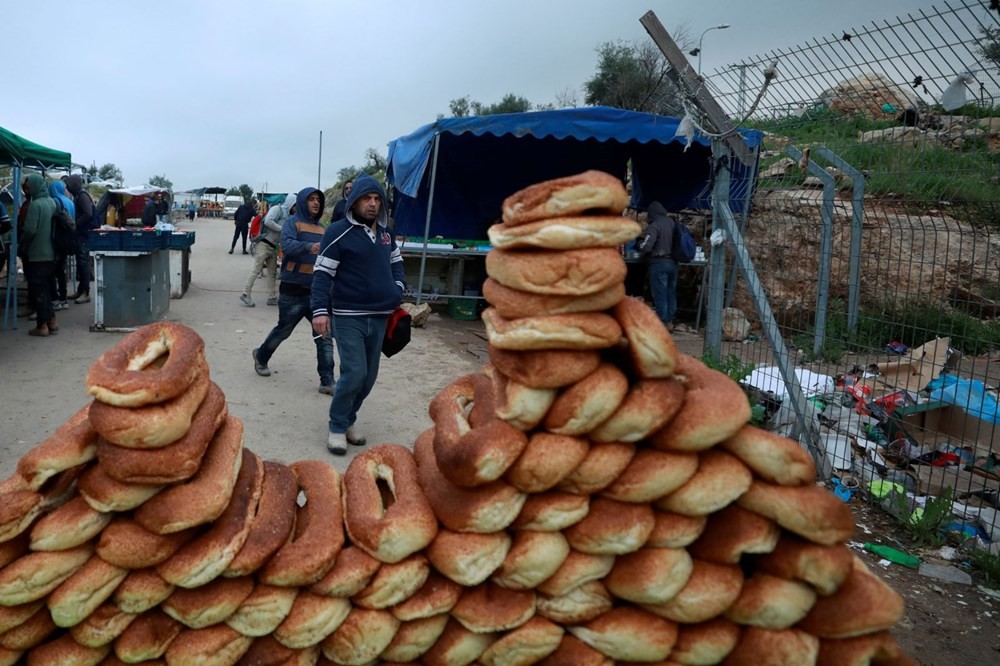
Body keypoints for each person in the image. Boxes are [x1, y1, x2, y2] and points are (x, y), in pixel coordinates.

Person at [311, 173, 405, 455]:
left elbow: (397, 264)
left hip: (380, 316)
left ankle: (348, 419)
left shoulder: (387, 235)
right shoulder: (337, 231)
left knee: (369, 377)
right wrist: (319, 311)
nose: (373, 204)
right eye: (367, 198)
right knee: (354, 373)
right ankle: (337, 427)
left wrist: (397, 288)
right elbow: (322, 274)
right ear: (354, 202)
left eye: (377, 199)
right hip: (348, 315)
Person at [252, 187, 334, 394]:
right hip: (293, 289)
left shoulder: (323, 229)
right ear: (302, 202)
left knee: (323, 335)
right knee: (283, 330)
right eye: (311, 199)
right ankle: (261, 356)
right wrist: (309, 247)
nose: (316, 203)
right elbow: (287, 246)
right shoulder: (291, 223)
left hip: (316, 292)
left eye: (318, 200)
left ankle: (327, 380)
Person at [240, 193, 293, 308]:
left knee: (272, 272)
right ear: (291, 203)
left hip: (273, 246)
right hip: (263, 244)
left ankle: (272, 297)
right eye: (295, 205)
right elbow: (268, 221)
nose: (296, 208)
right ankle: (245, 294)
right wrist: (283, 229)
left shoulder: (289, 216)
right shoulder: (276, 209)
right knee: (256, 269)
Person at [21, 174, 57, 337]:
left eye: (29, 186)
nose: (27, 190)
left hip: (38, 253)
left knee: (39, 290)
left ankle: (42, 326)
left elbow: (30, 230)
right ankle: (52, 321)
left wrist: (22, 240)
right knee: (47, 289)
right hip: (52, 253)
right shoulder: (52, 202)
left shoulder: (36, 205)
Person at [637, 200, 678, 330]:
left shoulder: (654, 225)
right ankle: (670, 321)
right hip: (673, 263)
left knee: (660, 294)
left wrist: (639, 244)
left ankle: (662, 322)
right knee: (670, 293)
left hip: (659, 264)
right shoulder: (673, 223)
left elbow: (647, 247)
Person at [65, 175, 98, 304]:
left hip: (84, 234)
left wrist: (76, 224)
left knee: (83, 262)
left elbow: (88, 213)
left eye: (68, 184)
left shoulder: (82, 196)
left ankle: (85, 292)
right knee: (80, 262)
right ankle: (81, 290)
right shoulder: (79, 195)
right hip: (83, 233)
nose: (67, 187)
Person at [48, 180, 75, 311]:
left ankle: (55, 299)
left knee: (53, 271)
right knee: (61, 271)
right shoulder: (70, 201)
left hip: (57, 241)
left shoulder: (54, 201)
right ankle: (64, 299)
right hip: (67, 240)